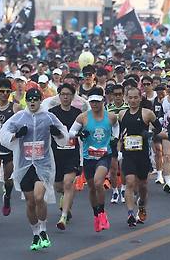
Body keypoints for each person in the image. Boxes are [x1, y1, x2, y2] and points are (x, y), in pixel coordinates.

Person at [0, 87, 69, 251]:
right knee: (30, 202)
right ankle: (35, 233)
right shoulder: (19, 117)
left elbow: (64, 136)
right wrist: (17, 135)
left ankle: (44, 229)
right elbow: (3, 135)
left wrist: (57, 133)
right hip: (24, 165)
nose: (32, 102)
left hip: (43, 164)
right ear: (26, 101)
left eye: (35, 99)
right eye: (29, 99)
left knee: (39, 197)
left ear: (40, 100)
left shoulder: (49, 117)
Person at [68, 87, 119, 233]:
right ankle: (96, 214)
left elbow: (116, 127)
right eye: (92, 102)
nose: (94, 104)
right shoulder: (83, 117)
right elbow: (71, 133)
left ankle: (102, 213)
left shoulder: (111, 117)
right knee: (91, 187)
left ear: (103, 101)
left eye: (97, 101)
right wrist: (79, 133)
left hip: (104, 155)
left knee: (98, 183)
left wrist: (114, 139)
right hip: (88, 156)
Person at [118, 87, 160, 226]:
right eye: (130, 98)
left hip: (142, 155)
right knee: (129, 182)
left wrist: (149, 134)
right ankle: (130, 213)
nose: (133, 100)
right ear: (126, 98)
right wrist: (118, 149)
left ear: (140, 98)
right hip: (128, 153)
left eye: (136, 97)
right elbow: (120, 134)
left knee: (142, 185)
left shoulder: (147, 113)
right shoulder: (122, 114)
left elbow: (158, 128)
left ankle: (141, 205)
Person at [48, 83, 82, 230]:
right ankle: (65, 199)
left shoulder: (78, 113)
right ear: (59, 96)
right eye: (63, 94)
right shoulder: (51, 112)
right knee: (58, 186)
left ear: (72, 96)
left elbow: (82, 129)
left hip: (72, 153)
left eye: (68, 94)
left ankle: (64, 216)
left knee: (68, 183)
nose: (65, 97)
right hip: (56, 153)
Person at [0, 79, 21, 220]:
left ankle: (7, 196)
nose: (4, 94)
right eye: (1, 91)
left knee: (8, 180)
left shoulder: (16, 108)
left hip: (10, 148)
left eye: (7, 92)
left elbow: (22, 126)